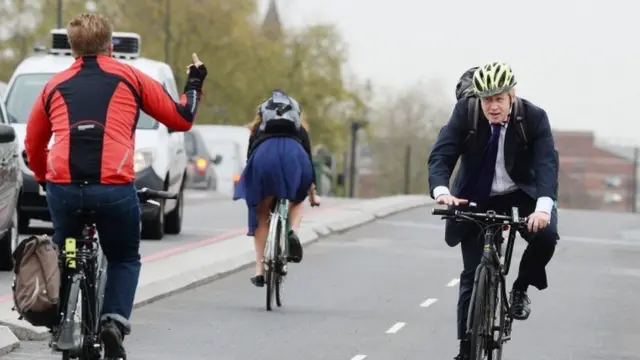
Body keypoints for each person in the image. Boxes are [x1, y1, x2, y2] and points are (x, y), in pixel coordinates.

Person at [23, 13, 208, 360]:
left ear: (73, 49)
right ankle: (113, 322)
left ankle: (60, 317)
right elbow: (182, 118)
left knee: (64, 249)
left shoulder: (53, 85)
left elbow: (34, 144)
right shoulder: (132, 78)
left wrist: (46, 179)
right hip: (113, 186)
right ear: (111, 46)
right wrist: (195, 80)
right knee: (124, 257)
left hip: (64, 186)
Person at [427, 61, 559, 360]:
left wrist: (542, 210)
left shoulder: (534, 118)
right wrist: (443, 192)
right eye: (487, 99)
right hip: (475, 194)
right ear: (478, 98)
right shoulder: (466, 113)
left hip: (520, 193)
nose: (493, 106)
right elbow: (441, 156)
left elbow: (547, 166)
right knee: (472, 275)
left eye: (499, 98)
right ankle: (465, 349)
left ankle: (520, 289)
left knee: (547, 237)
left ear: (511, 96)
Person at [233, 89, 321, 287]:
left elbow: (250, 159)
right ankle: (294, 233)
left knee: (261, 212)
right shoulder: (299, 130)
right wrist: (313, 195)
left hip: (264, 157)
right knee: (297, 201)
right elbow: (309, 164)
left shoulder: (258, 128)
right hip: (294, 156)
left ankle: (259, 270)